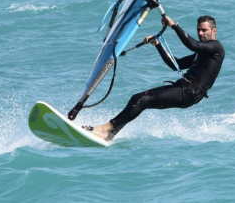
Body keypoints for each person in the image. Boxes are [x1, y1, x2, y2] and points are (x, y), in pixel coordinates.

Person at [85, 14, 225, 141]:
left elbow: (193, 45)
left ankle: (105, 128)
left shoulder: (216, 47)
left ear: (214, 31)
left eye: (204, 30)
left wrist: (174, 26)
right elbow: (176, 64)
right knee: (137, 98)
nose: (200, 33)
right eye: (198, 30)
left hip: (190, 93)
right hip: (182, 87)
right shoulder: (201, 53)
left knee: (143, 100)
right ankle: (111, 133)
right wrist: (158, 45)